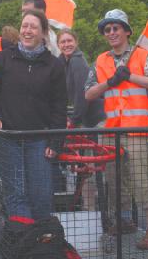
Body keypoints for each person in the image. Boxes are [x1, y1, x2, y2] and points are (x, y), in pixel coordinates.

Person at [85, 9, 148, 249]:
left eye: (116, 27)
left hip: (138, 131)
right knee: (115, 180)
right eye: (107, 29)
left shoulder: (143, 55)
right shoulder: (101, 60)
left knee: (141, 181)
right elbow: (88, 93)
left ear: (127, 31)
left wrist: (132, 77)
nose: (111, 32)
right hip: (111, 132)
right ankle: (124, 221)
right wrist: (110, 82)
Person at [0, 9, 67, 224]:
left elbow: (59, 106)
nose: (27, 31)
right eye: (25, 26)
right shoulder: (3, 59)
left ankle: (40, 239)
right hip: (7, 138)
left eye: (33, 27)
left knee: (41, 194)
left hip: (39, 140)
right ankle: (25, 243)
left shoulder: (54, 65)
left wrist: (56, 141)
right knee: (16, 194)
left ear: (44, 33)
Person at [57, 29, 105, 210]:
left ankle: (95, 209)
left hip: (95, 120)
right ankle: (89, 207)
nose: (66, 44)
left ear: (76, 42)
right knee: (86, 167)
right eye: (62, 42)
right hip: (86, 121)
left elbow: (81, 95)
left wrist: (74, 120)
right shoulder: (65, 62)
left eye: (69, 41)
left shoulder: (77, 62)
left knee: (92, 168)